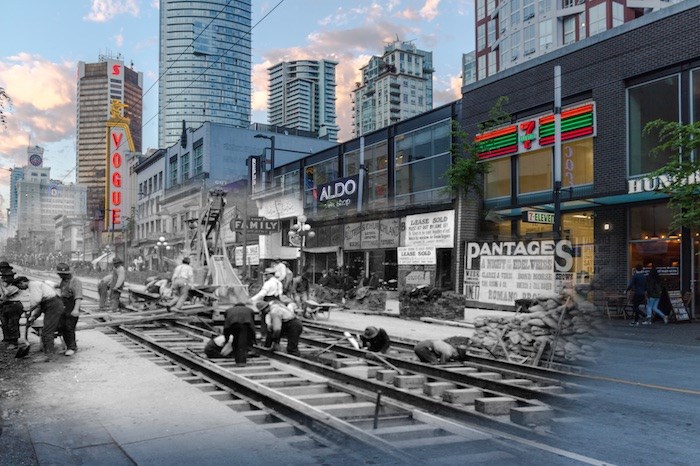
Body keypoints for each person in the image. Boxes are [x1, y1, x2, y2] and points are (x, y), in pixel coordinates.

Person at [17, 276, 65, 362]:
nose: (21, 289)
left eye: (19, 286)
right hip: (53, 305)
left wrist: (29, 311)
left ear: (22, 282)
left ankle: (49, 356)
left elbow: (36, 301)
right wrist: (34, 317)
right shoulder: (36, 285)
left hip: (53, 306)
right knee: (47, 331)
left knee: (47, 331)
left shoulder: (33, 285)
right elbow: (40, 306)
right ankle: (48, 354)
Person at [56, 263, 82, 356]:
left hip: (72, 305)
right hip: (64, 305)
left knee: (69, 327)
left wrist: (76, 309)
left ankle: (72, 347)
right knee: (62, 326)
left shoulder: (75, 281)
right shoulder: (63, 281)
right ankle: (67, 346)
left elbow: (78, 296)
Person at [222, 298, 257, 365]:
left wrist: (226, 340)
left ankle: (237, 359)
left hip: (233, 325)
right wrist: (253, 340)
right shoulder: (250, 310)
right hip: (245, 326)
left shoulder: (228, 310)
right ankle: (242, 361)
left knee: (235, 341)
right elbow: (252, 321)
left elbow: (226, 321)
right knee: (242, 343)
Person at [0, 263, 23, 349]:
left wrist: (2, 286)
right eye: (4, 277)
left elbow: (6, 294)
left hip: (14, 305)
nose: (5, 278)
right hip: (5, 305)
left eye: (8, 277)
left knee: (12, 323)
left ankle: (14, 341)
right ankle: (7, 339)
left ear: (12, 277)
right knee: (4, 323)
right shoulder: (4, 283)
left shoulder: (15, 285)